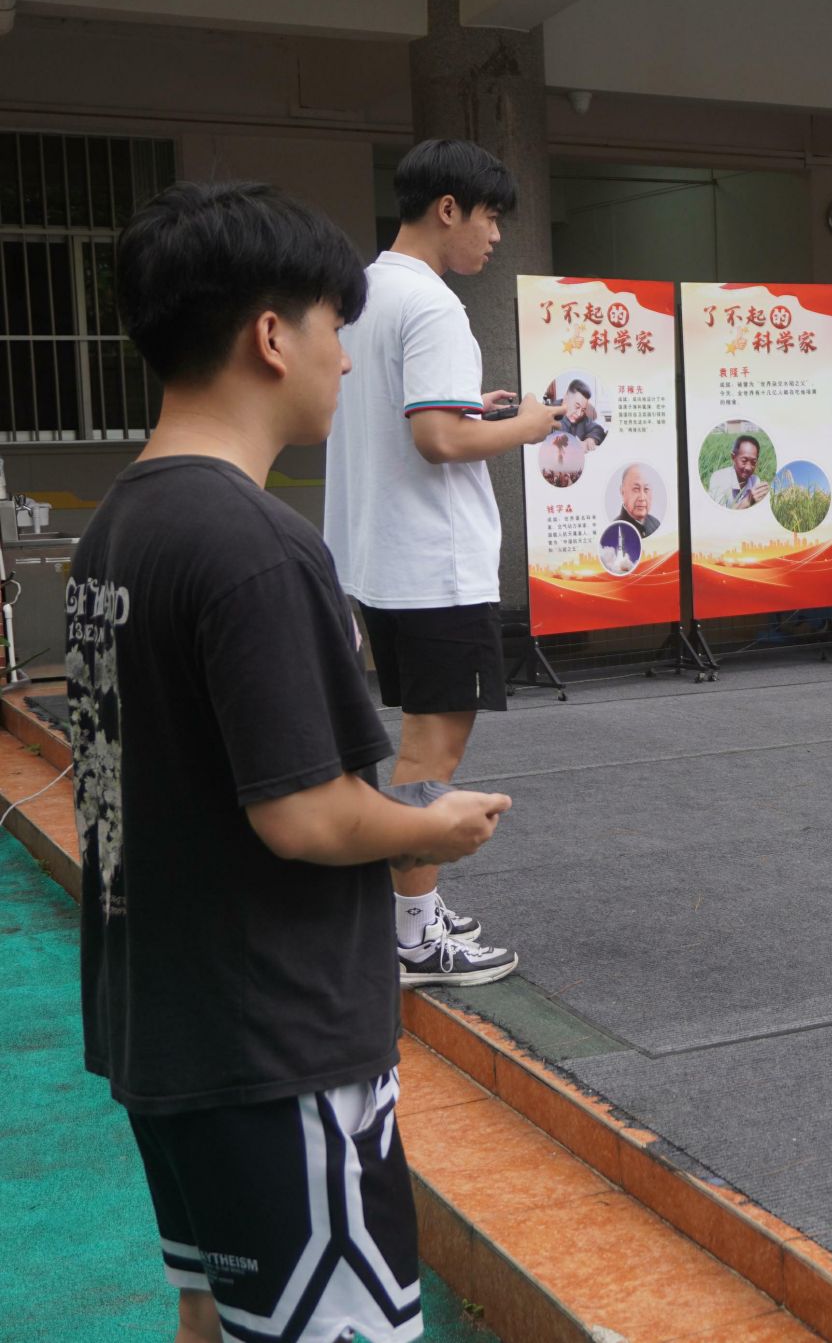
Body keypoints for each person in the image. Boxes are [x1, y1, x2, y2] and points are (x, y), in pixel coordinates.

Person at [72, 180, 512, 1343]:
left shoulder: (116, 527)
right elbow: (307, 813)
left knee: (215, 1315)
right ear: (271, 336)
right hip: (277, 1045)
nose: (347, 359)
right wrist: (435, 826)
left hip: (161, 1024)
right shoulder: (256, 546)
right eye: (334, 329)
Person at [324, 139, 556, 985]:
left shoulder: (362, 291)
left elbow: (417, 418)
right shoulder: (433, 305)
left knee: (415, 745)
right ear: (447, 208)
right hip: (436, 567)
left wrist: (471, 409)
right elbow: (438, 439)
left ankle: (403, 915)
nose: (494, 235)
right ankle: (416, 938)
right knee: (431, 756)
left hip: (379, 559)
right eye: (489, 216)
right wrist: (529, 425)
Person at [708, 433, 769, 508]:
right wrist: (748, 501)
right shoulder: (718, 478)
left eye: (753, 462)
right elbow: (719, 512)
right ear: (733, 457)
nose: (748, 467)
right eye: (744, 461)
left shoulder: (755, 481)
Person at [615, 463, 662, 537]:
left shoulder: (656, 524)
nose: (642, 498)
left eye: (646, 489)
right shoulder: (614, 529)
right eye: (636, 489)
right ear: (622, 491)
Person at [558, 377, 606, 446]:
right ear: (566, 398)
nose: (579, 414)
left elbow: (598, 429)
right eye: (577, 407)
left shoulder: (582, 419)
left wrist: (590, 440)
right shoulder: (549, 414)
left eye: (583, 410)